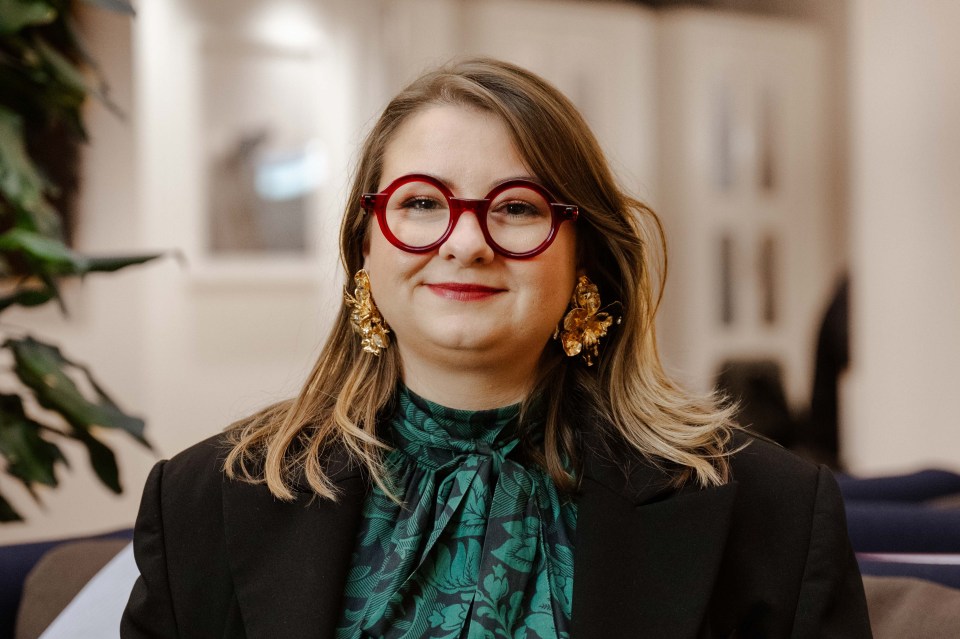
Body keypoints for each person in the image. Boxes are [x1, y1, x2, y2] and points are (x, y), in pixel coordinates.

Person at [121, 58, 871, 638]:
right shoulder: (203, 504)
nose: (466, 242)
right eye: (420, 203)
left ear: (585, 260)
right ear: (365, 247)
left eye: (516, 208)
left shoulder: (770, 511)